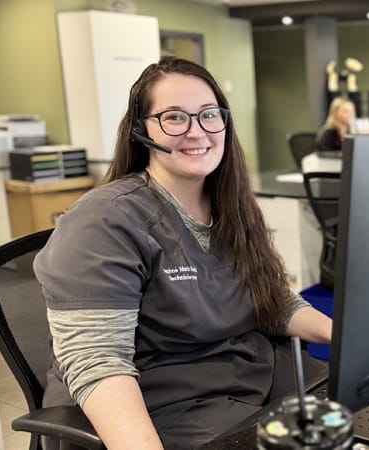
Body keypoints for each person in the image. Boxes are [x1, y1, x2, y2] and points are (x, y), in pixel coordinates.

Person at [34, 56, 332, 449]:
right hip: (170, 405)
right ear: (141, 130)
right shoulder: (105, 220)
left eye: (209, 114)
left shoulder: (230, 206)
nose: (196, 131)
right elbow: (100, 365)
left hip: (253, 378)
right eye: (174, 117)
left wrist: (348, 337)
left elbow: (271, 299)